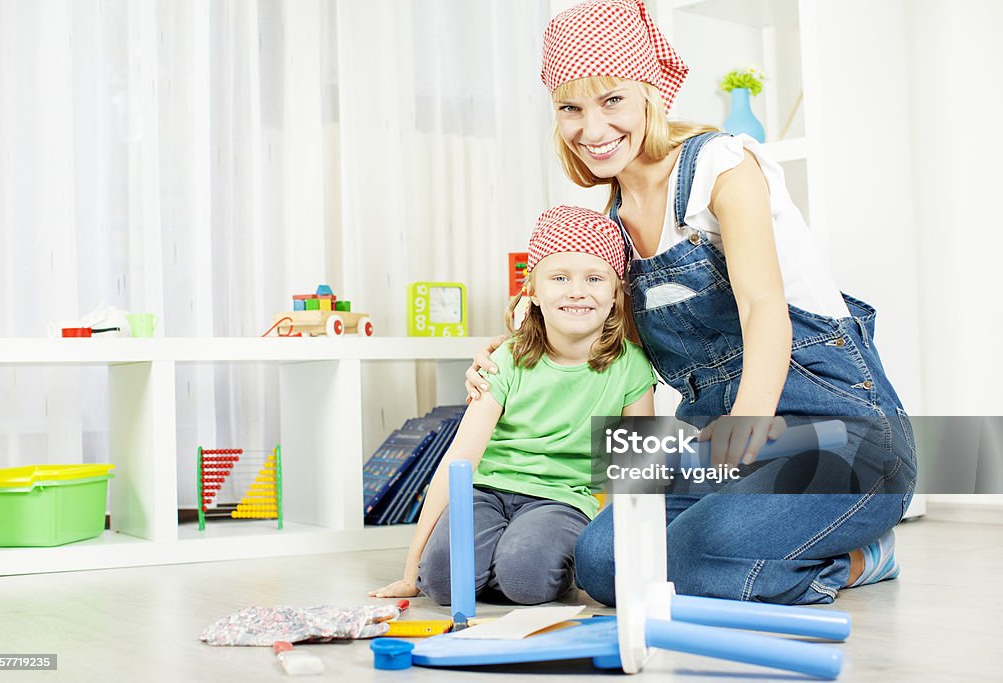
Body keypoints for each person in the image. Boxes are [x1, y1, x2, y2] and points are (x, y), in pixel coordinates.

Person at [465, 0, 916, 606]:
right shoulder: (612, 226)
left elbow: (762, 309)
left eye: (612, 100)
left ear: (652, 91)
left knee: (698, 556)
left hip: (841, 432)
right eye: (571, 108)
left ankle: (860, 558)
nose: (591, 130)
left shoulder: (722, 166)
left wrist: (742, 445)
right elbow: (595, 343)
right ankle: (772, 539)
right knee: (601, 564)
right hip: (711, 436)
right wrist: (508, 354)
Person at [370, 205, 656, 605]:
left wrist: (625, 559)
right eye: (559, 278)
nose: (577, 291)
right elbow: (460, 458)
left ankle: (518, 561)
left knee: (525, 577)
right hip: (486, 491)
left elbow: (637, 474)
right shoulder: (505, 359)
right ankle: (497, 560)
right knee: (442, 582)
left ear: (615, 293)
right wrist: (410, 567)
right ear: (533, 292)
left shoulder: (631, 367)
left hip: (563, 499)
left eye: (594, 278)